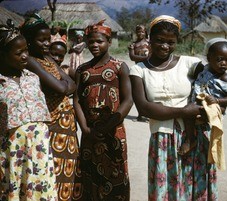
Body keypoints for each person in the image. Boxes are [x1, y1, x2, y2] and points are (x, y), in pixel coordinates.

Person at [130, 15, 219, 200]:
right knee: (166, 191)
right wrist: (183, 111)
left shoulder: (190, 63)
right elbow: (144, 107)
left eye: (171, 42)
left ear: (177, 41)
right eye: (159, 40)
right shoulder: (139, 70)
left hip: (193, 134)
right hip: (162, 138)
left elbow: (215, 80)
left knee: (194, 186)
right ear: (149, 39)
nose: (165, 46)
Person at [20, 13, 81, 201]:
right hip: (52, 124)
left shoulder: (47, 58)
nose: (47, 44)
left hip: (66, 124)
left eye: (48, 39)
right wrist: (64, 86)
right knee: (54, 173)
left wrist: (65, 86)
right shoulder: (31, 61)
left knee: (69, 172)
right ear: (29, 41)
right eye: (41, 40)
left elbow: (71, 84)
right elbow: (62, 86)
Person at [73, 19, 133, 200]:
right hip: (90, 133)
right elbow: (77, 100)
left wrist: (109, 124)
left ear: (109, 42)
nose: (95, 45)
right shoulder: (82, 70)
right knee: (90, 176)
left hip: (113, 130)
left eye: (99, 41)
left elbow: (128, 100)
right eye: (91, 42)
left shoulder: (119, 67)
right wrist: (85, 128)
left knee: (115, 174)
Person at [0, 20, 57, 200]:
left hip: (39, 148)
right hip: (13, 151)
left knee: (40, 192)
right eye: (19, 53)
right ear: (2, 55)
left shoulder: (32, 77)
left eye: (26, 50)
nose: (26, 56)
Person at [179, 38, 227, 161]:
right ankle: (191, 139)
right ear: (209, 58)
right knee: (187, 113)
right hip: (200, 103)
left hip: (214, 106)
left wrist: (217, 100)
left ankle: (193, 141)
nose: (224, 64)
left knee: (192, 115)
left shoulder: (224, 78)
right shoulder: (204, 69)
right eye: (219, 60)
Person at [128, 24, 150, 122]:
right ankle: (140, 114)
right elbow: (132, 57)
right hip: (137, 70)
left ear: (145, 32)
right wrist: (146, 58)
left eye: (142, 31)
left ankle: (150, 114)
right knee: (138, 92)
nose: (140, 33)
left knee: (149, 92)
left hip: (149, 69)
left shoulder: (150, 43)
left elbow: (152, 55)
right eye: (138, 31)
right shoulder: (133, 44)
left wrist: (140, 58)